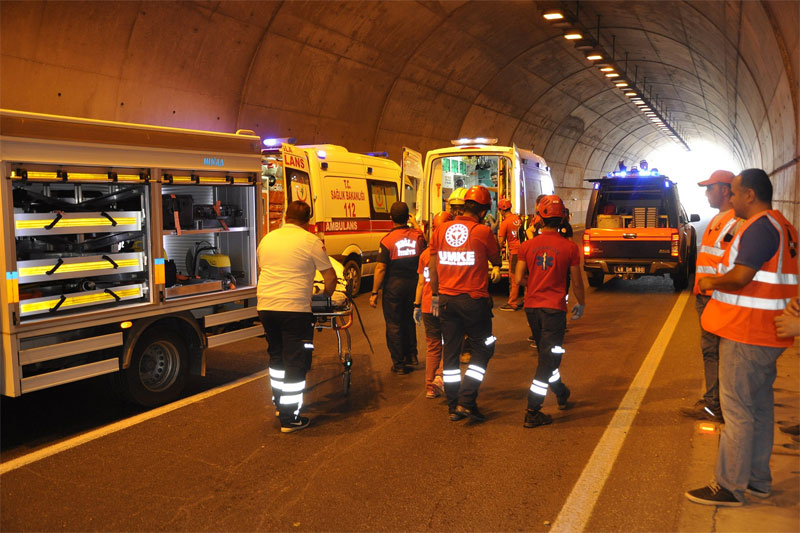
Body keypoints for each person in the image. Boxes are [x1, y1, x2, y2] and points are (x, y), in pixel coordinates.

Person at [686, 168, 799, 506]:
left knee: (737, 411)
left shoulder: (761, 228)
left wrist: (710, 283)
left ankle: (729, 486)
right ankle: (757, 480)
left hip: (747, 331)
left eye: (734, 193)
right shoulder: (783, 226)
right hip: (765, 333)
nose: (730, 199)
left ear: (750, 195)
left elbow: (740, 277)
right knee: (759, 409)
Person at [257, 200, 337, 433]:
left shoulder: (267, 239)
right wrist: (324, 297)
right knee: (295, 361)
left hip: (266, 306)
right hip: (294, 308)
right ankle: (290, 418)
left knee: (277, 357)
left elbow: (263, 269)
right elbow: (330, 277)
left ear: (285, 216)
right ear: (308, 220)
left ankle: (279, 403)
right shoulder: (311, 241)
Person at [429, 185, 501, 422]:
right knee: (484, 347)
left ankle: (452, 406)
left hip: (446, 300)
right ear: (482, 211)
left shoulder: (441, 230)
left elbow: (433, 266)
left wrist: (437, 295)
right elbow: (496, 258)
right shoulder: (482, 232)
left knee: (450, 353)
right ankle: (467, 400)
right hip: (474, 301)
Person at [515, 195, 586, 428]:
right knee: (549, 358)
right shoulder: (569, 247)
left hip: (532, 308)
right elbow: (576, 282)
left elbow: (518, 278)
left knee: (546, 356)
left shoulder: (527, 246)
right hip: (554, 310)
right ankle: (533, 409)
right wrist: (581, 303)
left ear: (540, 217)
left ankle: (561, 391)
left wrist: (534, 283)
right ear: (562, 217)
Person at [680, 170, 740, 423]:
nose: (706, 193)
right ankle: (716, 402)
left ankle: (715, 405)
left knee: (715, 352)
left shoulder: (736, 222)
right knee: (713, 352)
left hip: (718, 297)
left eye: (710, 188)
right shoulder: (720, 219)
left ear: (725, 190)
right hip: (708, 295)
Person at [370, 202, 427, 374]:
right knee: (409, 320)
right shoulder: (417, 237)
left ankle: (399, 364)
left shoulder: (387, 241)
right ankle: (412, 355)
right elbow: (424, 245)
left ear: (390, 218)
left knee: (394, 324)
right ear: (407, 216)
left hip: (394, 287)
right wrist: (415, 224)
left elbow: (380, 268)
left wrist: (374, 292)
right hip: (413, 285)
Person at [414, 211, 453, 398]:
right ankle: (440, 376)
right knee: (451, 342)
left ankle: (430, 387)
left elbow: (421, 282)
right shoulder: (449, 253)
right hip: (445, 303)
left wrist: (416, 305)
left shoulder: (424, 254)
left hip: (428, 305)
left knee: (433, 345)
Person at [497, 198, 523, 311]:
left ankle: (512, 303)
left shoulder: (505, 223)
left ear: (501, 210)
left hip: (515, 253)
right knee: (525, 276)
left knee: (514, 277)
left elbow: (500, 242)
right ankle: (526, 300)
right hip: (523, 250)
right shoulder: (518, 219)